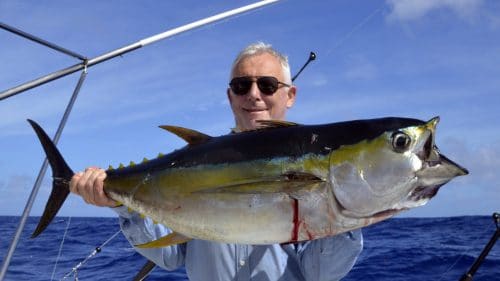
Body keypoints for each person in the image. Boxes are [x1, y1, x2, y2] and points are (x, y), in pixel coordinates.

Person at [70, 42, 363, 281]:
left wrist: (345, 210)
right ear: (230, 96)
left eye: (268, 85)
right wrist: (123, 205)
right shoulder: (196, 162)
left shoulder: (317, 165)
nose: (254, 94)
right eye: (241, 86)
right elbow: (170, 258)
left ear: (290, 95)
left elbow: (319, 273)